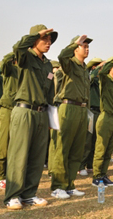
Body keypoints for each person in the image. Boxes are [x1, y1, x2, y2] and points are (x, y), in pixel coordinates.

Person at [4, 24, 58, 210]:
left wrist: (51, 117)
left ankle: (29, 194)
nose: (48, 43)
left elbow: (50, 91)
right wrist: (35, 34)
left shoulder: (48, 64)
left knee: (37, 156)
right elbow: (17, 48)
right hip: (24, 111)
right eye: (45, 39)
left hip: (42, 113)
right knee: (19, 154)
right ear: (34, 40)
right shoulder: (25, 57)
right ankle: (13, 195)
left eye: (50, 40)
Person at [49, 35, 92, 199]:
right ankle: (57, 186)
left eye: (88, 47)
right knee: (62, 148)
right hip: (67, 107)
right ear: (75, 49)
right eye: (83, 46)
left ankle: (69, 184)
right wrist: (74, 43)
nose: (87, 49)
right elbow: (61, 56)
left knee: (76, 149)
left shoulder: (84, 68)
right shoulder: (69, 64)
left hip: (82, 109)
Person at [92, 56, 113, 187]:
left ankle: (103, 175)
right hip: (105, 117)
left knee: (108, 150)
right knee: (101, 148)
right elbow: (99, 72)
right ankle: (96, 176)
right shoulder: (105, 79)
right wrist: (110, 61)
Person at [0, 53, 18, 189]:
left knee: (15, 145)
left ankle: (11, 174)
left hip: (20, 111)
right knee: (3, 143)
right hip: (7, 109)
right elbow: (5, 62)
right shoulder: (10, 69)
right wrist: (17, 52)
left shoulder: (26, 72)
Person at [78, 57, 103, 176]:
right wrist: (96, 70)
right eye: (100, 67)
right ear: (94, 67)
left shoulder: (100, 81)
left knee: (95, 140)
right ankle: (81, 165)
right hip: (90, 111)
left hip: (99, 112)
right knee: (87, 140)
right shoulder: (90, 77)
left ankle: (90, 164)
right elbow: (91, 78)